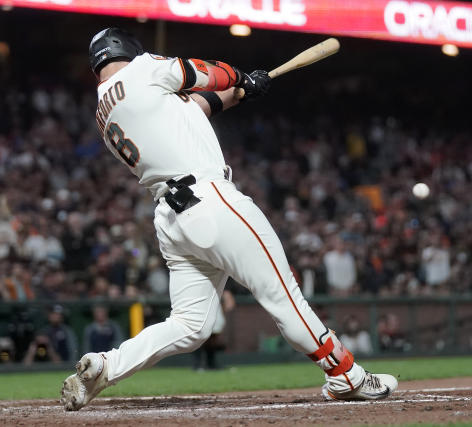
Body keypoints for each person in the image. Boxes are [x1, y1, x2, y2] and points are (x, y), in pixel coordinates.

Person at [61, 27, 397, 411]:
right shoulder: (142, 69)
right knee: (282, 294)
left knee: (190, 325)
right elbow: (204, 71)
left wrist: (245, 89)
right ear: (129, 49)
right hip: (211, 199)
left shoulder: (106, 109)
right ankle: (346, 376)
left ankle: (106, 366)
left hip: (171, 219)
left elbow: (196, 107)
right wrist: (239, 76)